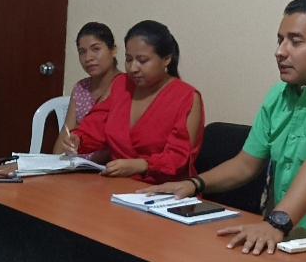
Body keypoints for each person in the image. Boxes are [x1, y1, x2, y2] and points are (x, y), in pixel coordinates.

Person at [142, 0, 306, 256]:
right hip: (295, 241)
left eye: (295, 41)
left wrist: (276, 222)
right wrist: (193, 184)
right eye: (280, 40)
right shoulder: (280, 94)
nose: (280, 51)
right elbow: (245, 164)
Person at [66, 20, 204, 184]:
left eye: (142, 61)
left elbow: (179, 157)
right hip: (118, 185)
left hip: (166, 191)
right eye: (129, 59)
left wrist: (142, 165)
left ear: (166, 59)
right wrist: (77, 139)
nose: (133, 68)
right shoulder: (121, 84)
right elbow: (95, 125)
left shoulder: (187, 97)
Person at [52, 22, 122, 159]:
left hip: (107, 165)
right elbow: (66, 132)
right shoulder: (81, 88)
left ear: (113, 50)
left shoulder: (126, 86)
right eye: (82, 52)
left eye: (96, 49)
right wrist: (56, 162)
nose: (88, 58)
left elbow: (117, 144)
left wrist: (87, 164)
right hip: (74, 164)